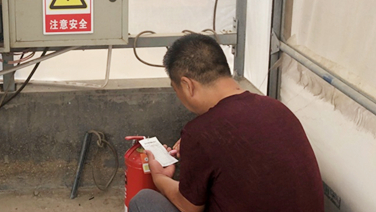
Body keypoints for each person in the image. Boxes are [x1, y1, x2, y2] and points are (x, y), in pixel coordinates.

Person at [129, 34, 323, 212]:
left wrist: (160, 178)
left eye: (176, 88)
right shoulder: (277, 109)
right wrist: (196, 149)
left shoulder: (200, 132)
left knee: (143, 201)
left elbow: (188, 206)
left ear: (188, 85)